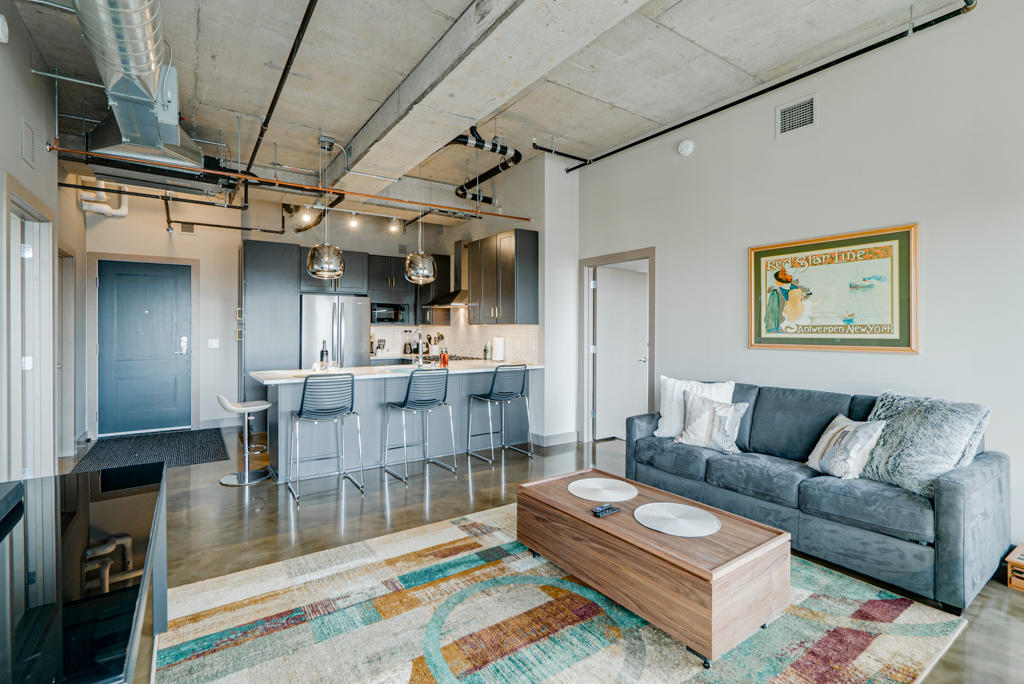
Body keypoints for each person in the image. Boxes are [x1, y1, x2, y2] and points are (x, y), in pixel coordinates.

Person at [764, 265, 795, 334]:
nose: (775, 281)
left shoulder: (784, 290)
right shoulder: (780, 289)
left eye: (776, 280)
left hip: (785, 311)